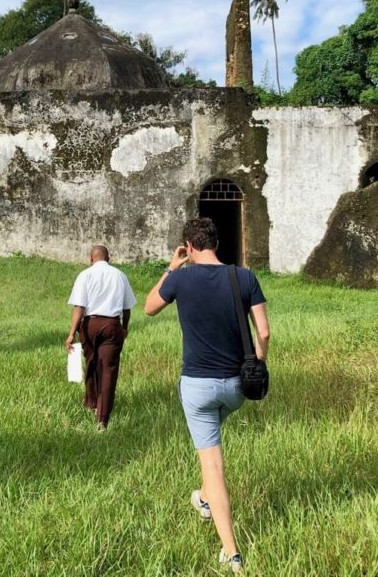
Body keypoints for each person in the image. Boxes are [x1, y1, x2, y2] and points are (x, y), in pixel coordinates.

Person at [144, 218, 270, 573]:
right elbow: (264, 330)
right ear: (216, 242)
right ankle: (202, 497)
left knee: (212, 464)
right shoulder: (243, 277)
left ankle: (231, 551)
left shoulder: (181, 279)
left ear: (189, 245)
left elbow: (149, 307)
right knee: (211, 446)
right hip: (235, 387)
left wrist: (171, 267)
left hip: (198, 386)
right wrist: (259, 362)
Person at [66, 244, 136, 431]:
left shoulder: (85, 275)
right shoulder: (120, 275)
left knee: (91, 363)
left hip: (89, 325)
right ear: (108, 258)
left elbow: (79, 307)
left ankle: (92, 403)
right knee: (108, 369)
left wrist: (72, 333)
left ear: (91, 258)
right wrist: (124, 327)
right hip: (112, 325)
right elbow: (127, 308)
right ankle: (102, 420)